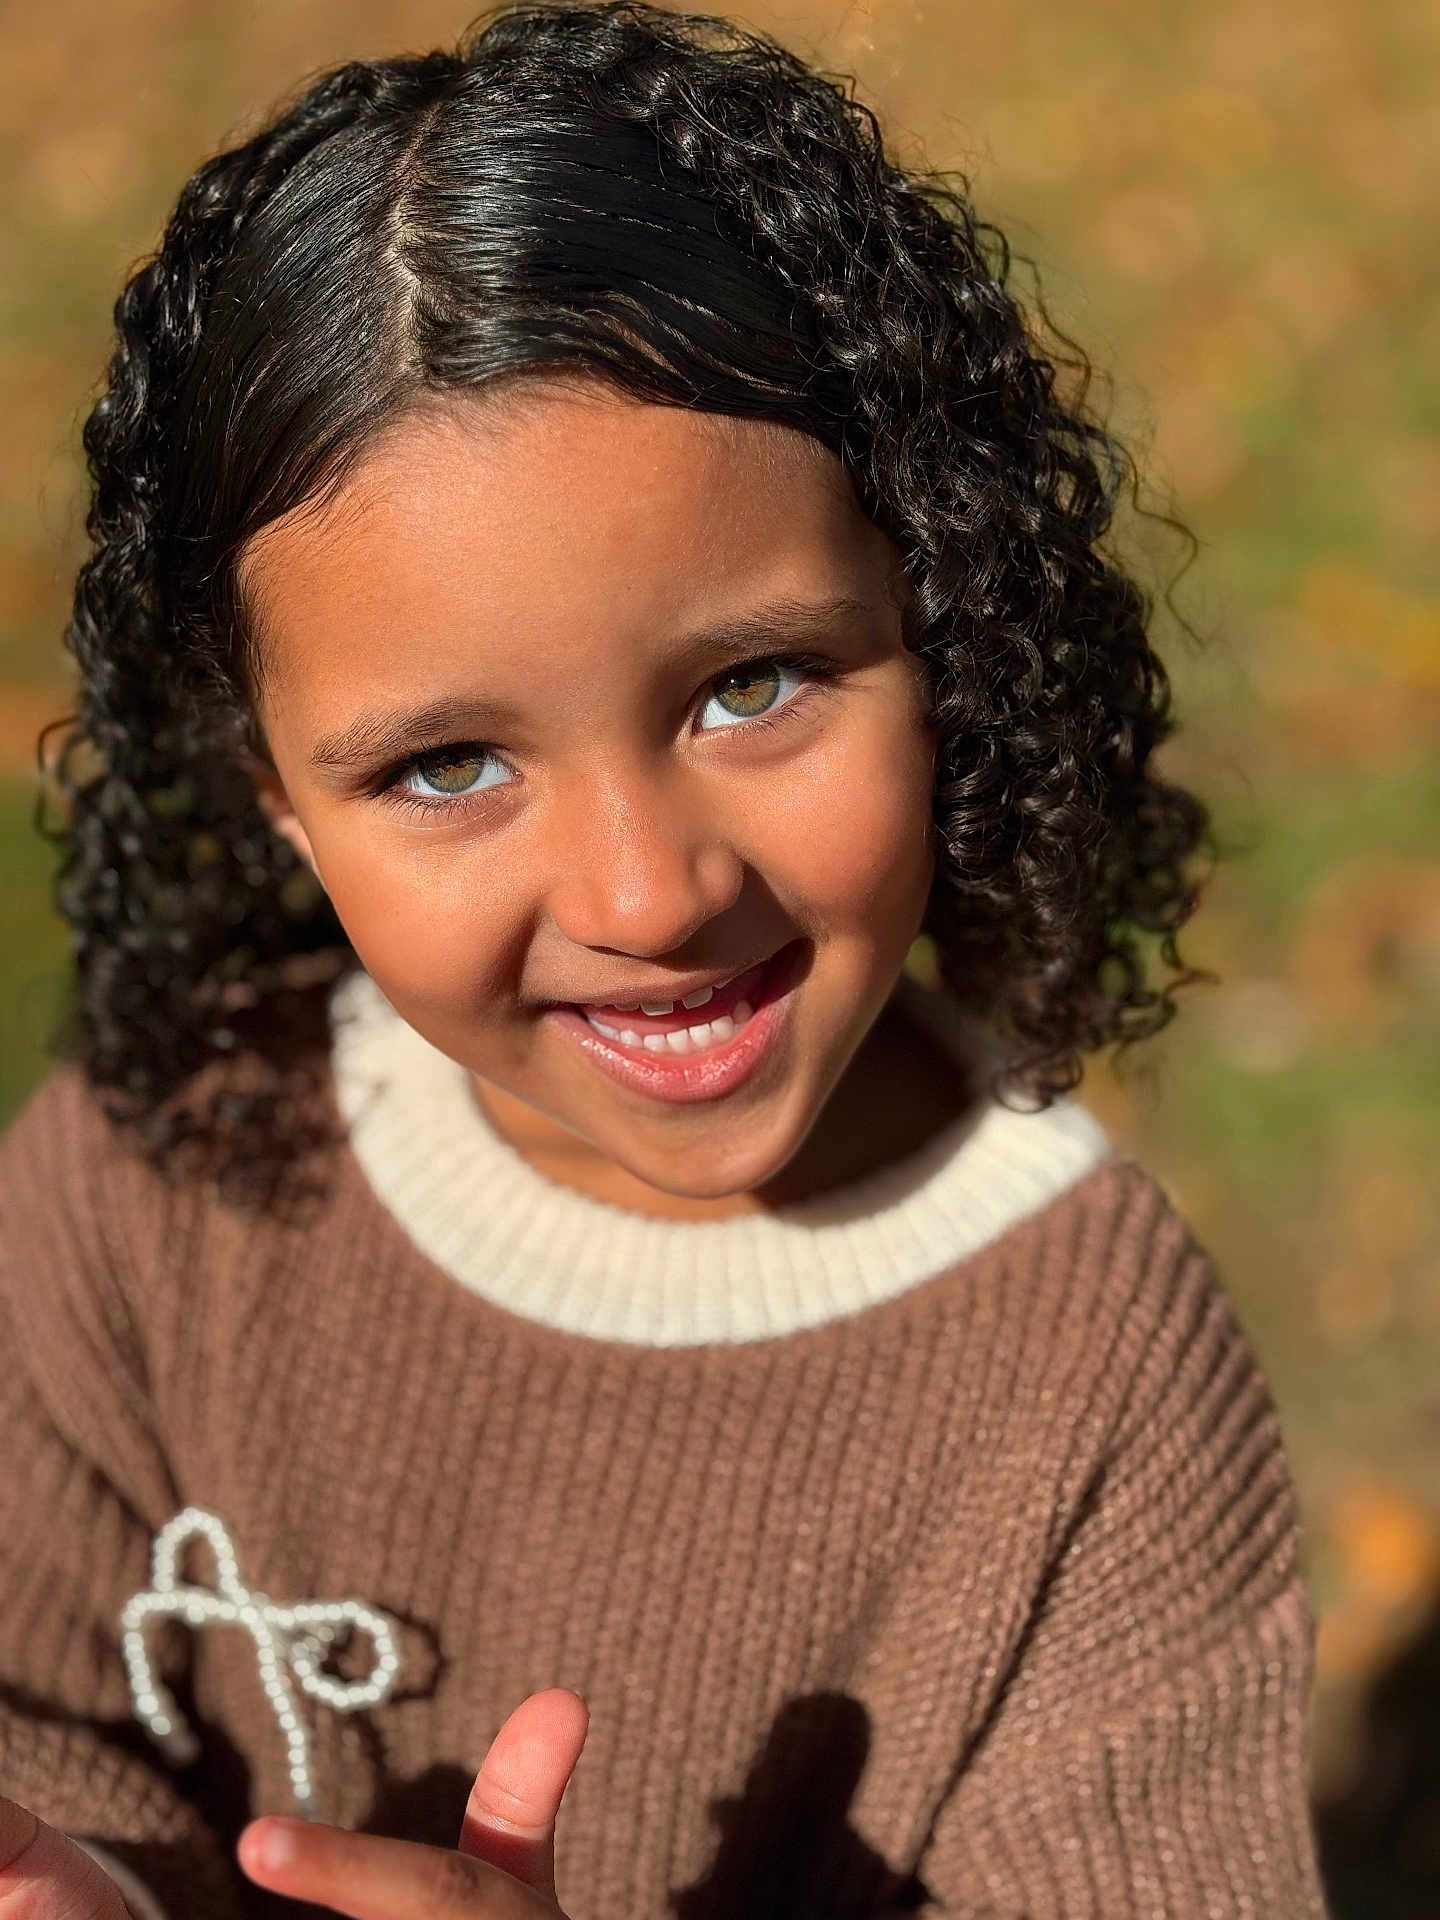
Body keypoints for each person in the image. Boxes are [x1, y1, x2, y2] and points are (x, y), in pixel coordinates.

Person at [0, 3, 1332, 1915]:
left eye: (752, 685)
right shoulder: (152, 1173)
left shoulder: (1092, 1375)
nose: (644, 893)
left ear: (940, 632)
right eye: (447, 766)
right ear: (273, 794)